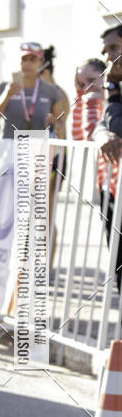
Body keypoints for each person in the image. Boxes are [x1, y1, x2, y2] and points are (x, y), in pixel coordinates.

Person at [93, 26, 122, 290]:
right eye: (105, 50)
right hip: (113, 191)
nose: (107, 56)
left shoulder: (115, 90)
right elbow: (102, 126)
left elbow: (118, 128)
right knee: (118, 267)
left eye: (114, 48)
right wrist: (102, 134)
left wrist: (111, 89)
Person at [0, 41, 66, 136]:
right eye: (24, 59)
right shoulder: (3, 87)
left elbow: (61, 129)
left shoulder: (52, 91)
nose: (27, 63)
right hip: (9, 144)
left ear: (41, 61)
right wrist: (6, 95)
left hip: (38, 145)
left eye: (32, 59)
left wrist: (55, 124)